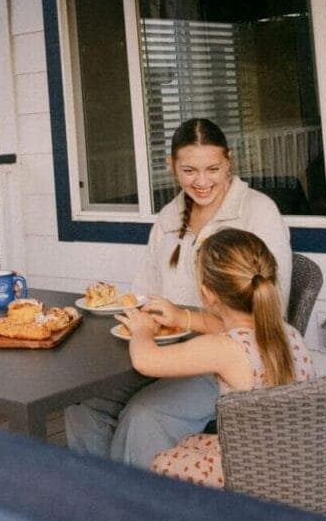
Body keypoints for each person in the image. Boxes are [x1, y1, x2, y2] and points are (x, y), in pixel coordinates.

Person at [64, 117, 293, 468]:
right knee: (83, 403)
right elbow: (145, 293)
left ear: (229, 162)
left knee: (144, 416)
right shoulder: (169, 217)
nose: (201, 182)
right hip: (166, 351)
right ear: (171, 166)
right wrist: (141, 317)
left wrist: (185, 318)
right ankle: (97, 490)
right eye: (189, 170)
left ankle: (133, 499)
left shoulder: (257, 211)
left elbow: (267, 314)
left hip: (223, 363)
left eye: (213, 169)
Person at [118, 228, 314, 486]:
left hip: (249, 472)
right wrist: (182, 317)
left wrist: (141, 331)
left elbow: (146, 361)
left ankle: (143, 504)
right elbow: (227, 327)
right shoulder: (286, 333)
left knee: (161, 461)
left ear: (207, 294)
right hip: (292, 458)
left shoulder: (223, 349)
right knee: (190, 443)